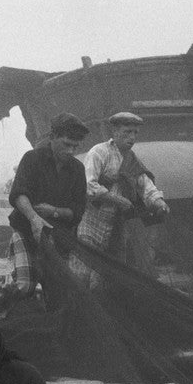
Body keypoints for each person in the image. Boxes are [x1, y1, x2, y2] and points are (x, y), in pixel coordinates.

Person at [0, 113, 89, 316]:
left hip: (58, 238)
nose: (71, 151)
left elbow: (78, 210)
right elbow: (18, 194)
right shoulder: (32, 159)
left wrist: (54, 211)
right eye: (67, 144)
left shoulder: (77, 169)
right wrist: (35, 219)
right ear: (53, 137)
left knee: (58, 292)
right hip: (26, 232)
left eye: (75, 147)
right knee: (24, 285)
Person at [69, 111, 169, 290]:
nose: (132, 137)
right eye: (127, 132)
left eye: (135, 133)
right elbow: (88, 185)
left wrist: (159, 202)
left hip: (115, 225)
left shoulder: (131, 159)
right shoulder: (99, 152)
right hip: (91, 221)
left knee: (103, 276)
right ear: (114, 132)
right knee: (82, 270)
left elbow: (145, 186)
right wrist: (117, 199)